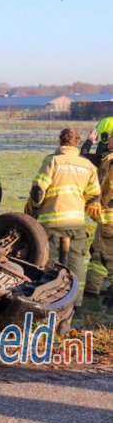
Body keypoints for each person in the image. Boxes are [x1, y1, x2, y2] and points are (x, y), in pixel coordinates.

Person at [27, 128, 102, 316]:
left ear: (60, 141)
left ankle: (50, 302)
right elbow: (94, 195)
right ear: (76, 143)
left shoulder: (52, 161)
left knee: (50, 263)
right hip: (76, 222)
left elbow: (38, 190)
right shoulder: (87, 166)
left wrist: (35, 207)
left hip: (51, 221)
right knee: (77, 262)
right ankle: (75, 304)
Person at [80, 117, 113, 300]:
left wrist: (88, 141)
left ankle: (94, 293)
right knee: (98, 253)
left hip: (108, 218)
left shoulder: (107, 159)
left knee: (103, 255)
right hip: (105, 219)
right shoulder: (106, 157)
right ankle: (93, 291)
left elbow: (84, 155)